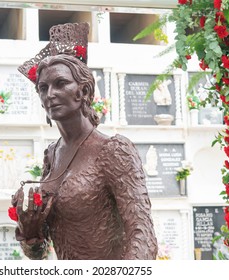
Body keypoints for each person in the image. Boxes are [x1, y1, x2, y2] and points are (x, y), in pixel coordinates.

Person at [10, 22, 157, 260]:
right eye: (43, 88)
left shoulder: (113, 150)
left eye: (61, 84)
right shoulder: (51, 154)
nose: (50, 95)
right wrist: (31, 232)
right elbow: (37, 253)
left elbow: (143, 235)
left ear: (85, 92)